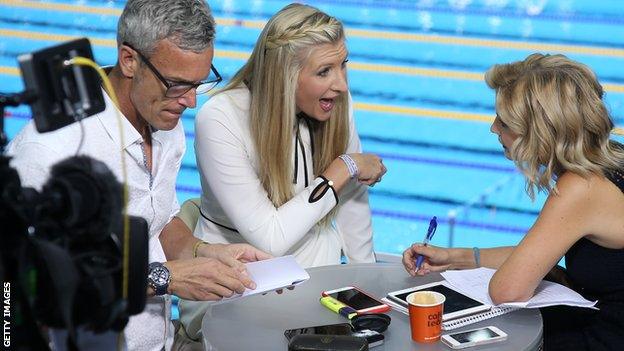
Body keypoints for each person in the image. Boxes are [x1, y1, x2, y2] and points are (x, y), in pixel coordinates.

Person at [7, 1, 271, 350]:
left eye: (198, 82)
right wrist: (165, 278)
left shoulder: (164, 122)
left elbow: (157, 220)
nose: (190, 101)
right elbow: (27, 287)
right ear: (129, 60)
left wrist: (203, 252)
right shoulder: (50, 150)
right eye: (176, 84)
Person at [402, 53, 624, 350]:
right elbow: (536, 254)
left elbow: (507, 290)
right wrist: (453, 257)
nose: (494, 128)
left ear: (541, 132)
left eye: (505, 122)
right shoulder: (611, 158)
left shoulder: (581, 187)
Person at [192, 3, 386, 268]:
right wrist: (344, 167)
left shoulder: (335, 101)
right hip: (237, 279)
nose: (341, 85)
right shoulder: (221, 119)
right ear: (284, 75)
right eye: (324, 71)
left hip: (318, 274)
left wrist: (365, 279)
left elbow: (352, 201)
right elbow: (270, 238)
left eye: (343, 65)